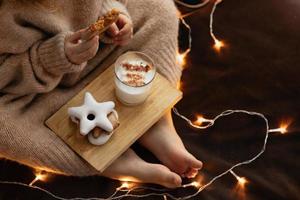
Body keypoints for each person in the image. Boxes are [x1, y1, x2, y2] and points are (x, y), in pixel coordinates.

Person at [0, 0, 202, 188]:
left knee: (159, 7)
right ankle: (112, 161)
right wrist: (52, 57)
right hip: (35, 95)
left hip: (104, 56)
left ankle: (158, 124)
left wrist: (113, 17)